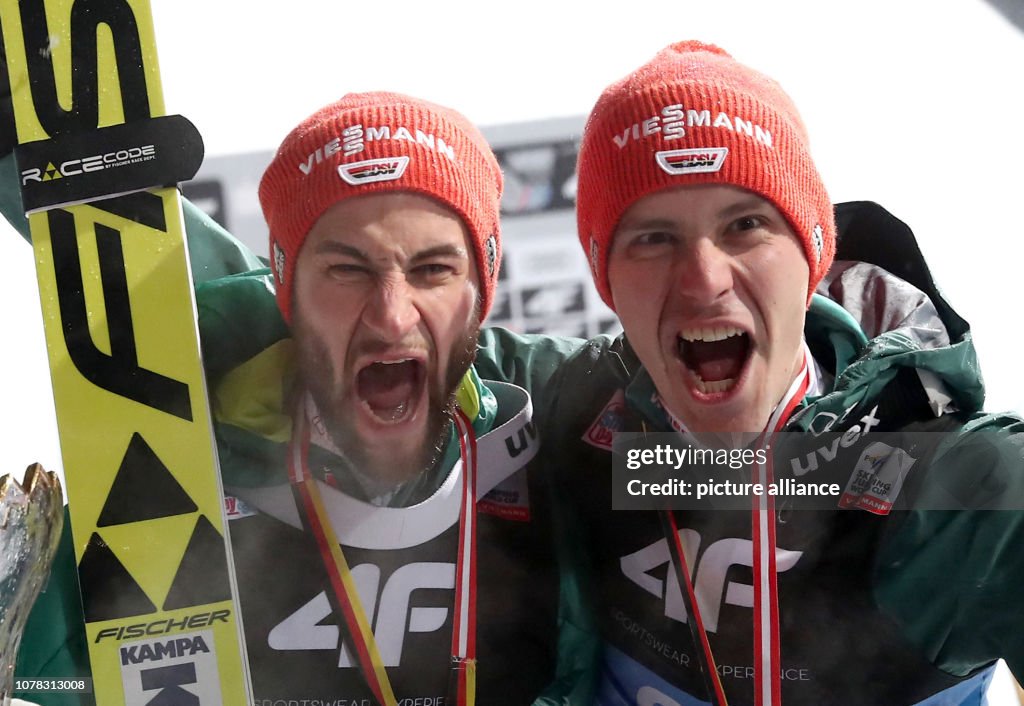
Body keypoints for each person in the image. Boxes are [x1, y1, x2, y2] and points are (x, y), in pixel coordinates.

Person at [6, 93, 596, 705]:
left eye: (433, 269)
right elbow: (46, 670)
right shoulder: (183, 444)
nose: (392, 319)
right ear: (286, 292)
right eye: (347, 270)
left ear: (482, 287)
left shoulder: (546, 419)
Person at [541, 40, 1024, 705]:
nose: (703, 280)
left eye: (746, 225)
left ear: (815, 252)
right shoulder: (570, 415)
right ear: (607, 280)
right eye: (653, 237)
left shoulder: (963, 484)